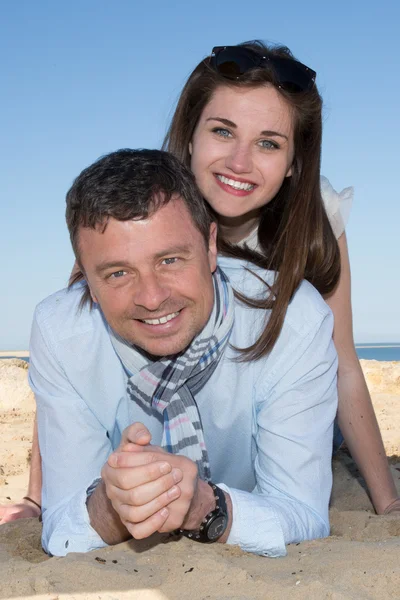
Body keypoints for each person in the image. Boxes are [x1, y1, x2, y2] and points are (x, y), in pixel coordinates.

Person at [1, 40, 398, 525]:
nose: (239, 162)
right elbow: (75, 363)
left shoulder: (313, 221)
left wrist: (385, 499)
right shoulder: (154, 208)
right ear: (190, 135)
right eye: (222, 132)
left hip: (283, 394)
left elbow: (343, 360)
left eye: (269, 143)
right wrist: (40, 500)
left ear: (295, 163)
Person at [29, 148, 337, 557]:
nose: (152, 297)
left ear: (211, 246)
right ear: (86, 278)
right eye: (118, 273)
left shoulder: (292, 319)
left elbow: (305, 513)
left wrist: (203, 507)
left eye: (170, 260)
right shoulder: (60, 333)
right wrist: (109, 507)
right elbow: (61, 524)